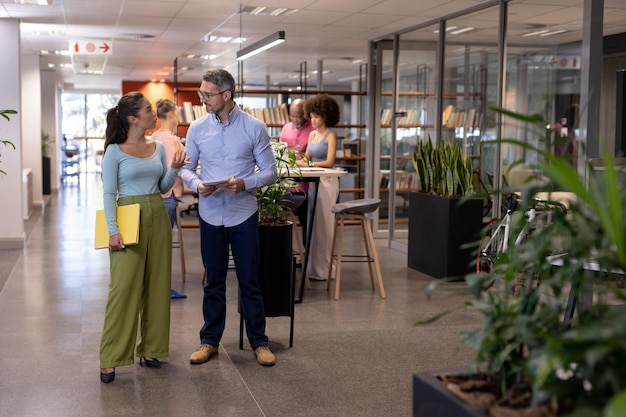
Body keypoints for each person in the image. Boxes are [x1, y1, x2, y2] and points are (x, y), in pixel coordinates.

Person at [180, 69, 278, 367]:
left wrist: (245, 183)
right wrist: (197, 185)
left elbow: (271, 171)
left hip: (243, 214)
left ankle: (259, 343)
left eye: (207, 94)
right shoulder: (196, 128)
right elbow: (186, 168)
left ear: (226, 95)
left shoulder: (254, 128)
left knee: (249, 281)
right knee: (214, 282)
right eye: (201, 93)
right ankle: (209, 341)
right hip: (210, 214)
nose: (202, 99)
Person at [99, 91, 187, 383]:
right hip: (127, 215)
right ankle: (111, 357)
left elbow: (161, 185)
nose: (154, 113)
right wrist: (113, 229)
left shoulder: (157, 147)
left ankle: (151, 349)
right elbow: (109, 193)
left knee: (158, 285)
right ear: (134, 118)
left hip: (157, 211)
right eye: (149, 109)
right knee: (123, 289)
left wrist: (174, 169)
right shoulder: (114, 151)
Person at [296, 94, 340, 281]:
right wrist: (296, 161)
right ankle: (313, 267)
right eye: (311, 116)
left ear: (325, 116)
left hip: (327, 183)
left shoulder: (331, 135)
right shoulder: (312, 135)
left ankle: (324, 269)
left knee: (324, 224)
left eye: (316, 116)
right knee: (313, 226)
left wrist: (310, 165)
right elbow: (306, 157)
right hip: (314, 183)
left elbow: (330, 161)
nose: (312, 120)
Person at [152, 98, 187, 299]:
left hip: (156, 194)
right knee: (164, 245)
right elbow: (178, 167)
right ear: (172, 115)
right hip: (169, 194)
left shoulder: (153, 136)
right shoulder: (173, 140)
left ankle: (156, 287)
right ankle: (163, 289)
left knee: (157, 243)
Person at [279, 98, 314, 244]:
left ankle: (306, 253)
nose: (295, 119)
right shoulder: (286, 128)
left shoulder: (313, 129)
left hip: (305, 185)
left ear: (305, 114)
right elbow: (280, 151)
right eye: (292, 116)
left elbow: (310, 158)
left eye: (298, 116)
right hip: (285, 182)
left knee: (306, 220)